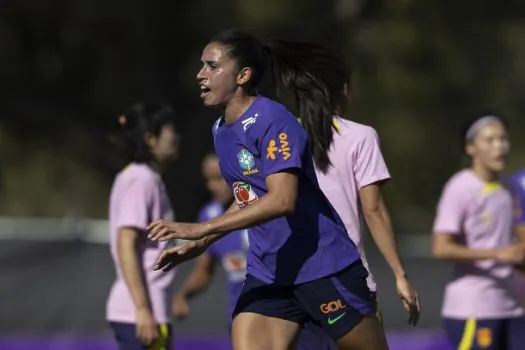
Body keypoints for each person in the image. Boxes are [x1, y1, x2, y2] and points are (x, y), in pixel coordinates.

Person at [148, 29, 397, 350]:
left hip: (321, 267)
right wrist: (203, 241)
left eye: (211, 66)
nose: (200, 74)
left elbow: (282, 199)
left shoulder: (273, 118)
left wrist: (201, 228)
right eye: (201, 65)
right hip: (269, 271)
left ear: (243, 75)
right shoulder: (220, 130)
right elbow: (248, 197)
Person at [173, 153, 338, 350]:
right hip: (244, 313)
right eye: (207, 179)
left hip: (291, 312)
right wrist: (183, 295)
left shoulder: (271, 204)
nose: (212, 186)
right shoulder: (209, 217)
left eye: (218, 178)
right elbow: (204, 270)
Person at [432, 115, 525, 349]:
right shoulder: (460, 187)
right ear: (471, 147)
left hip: (511, 307)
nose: (500, 146)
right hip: (472, 309)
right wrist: (496, 254)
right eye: (490, 140)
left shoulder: (510, 187)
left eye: (503, 139)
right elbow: (441, 248)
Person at [106, 101, 180, 350]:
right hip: (139, 312)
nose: (176, 137)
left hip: (147, 310)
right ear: (151, 138)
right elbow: (125, 242)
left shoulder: (137, 176)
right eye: (171, 131)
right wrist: (143, 309)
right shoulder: (142, 179)